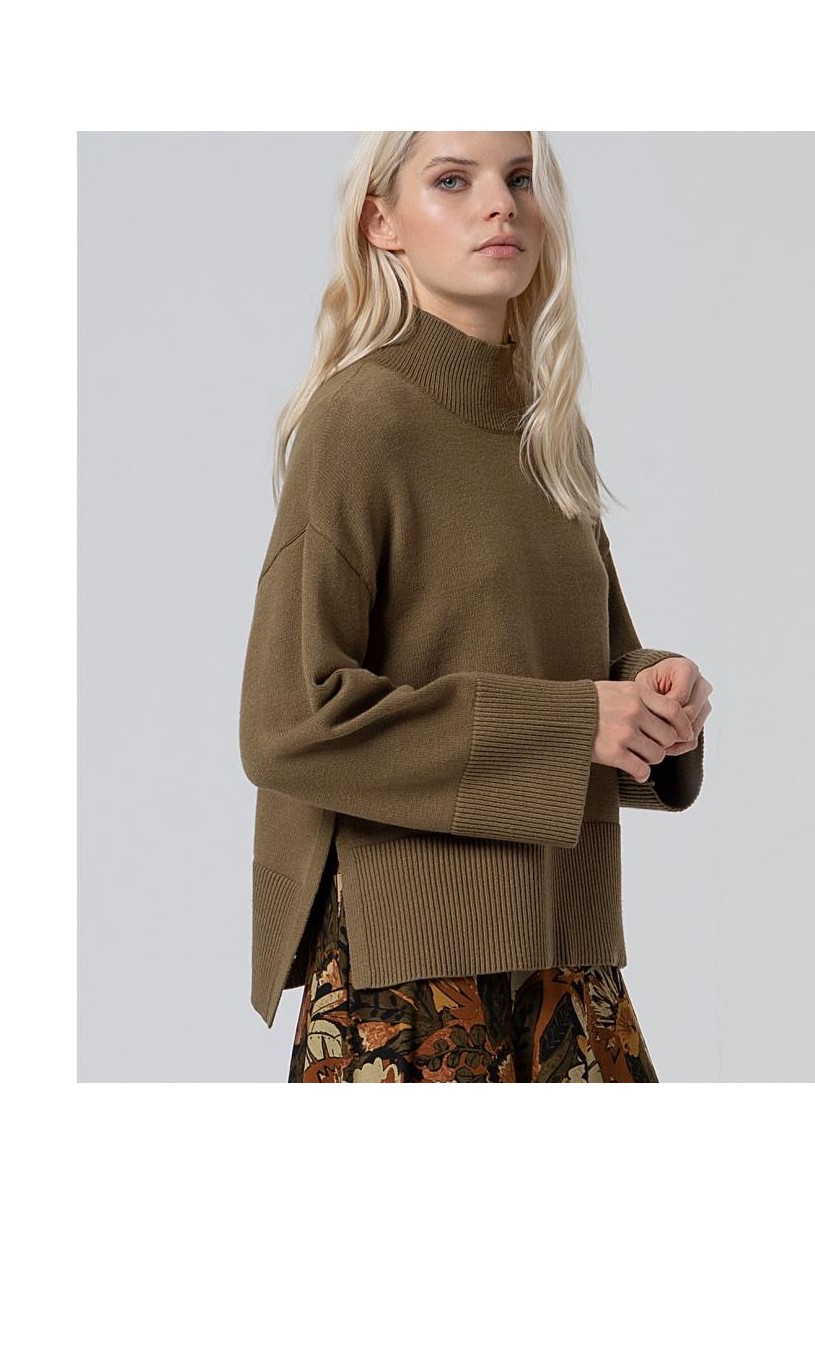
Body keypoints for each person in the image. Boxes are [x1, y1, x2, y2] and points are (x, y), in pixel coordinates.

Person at [238, 131, 713, 1082]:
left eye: (520, 178)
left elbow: (590, 673)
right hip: (413, 974)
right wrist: (578, 721)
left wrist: (653, 696)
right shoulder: (361, 418)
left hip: (567, 952)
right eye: (453, 180)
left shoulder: (547, 429)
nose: (501, 204)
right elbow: (287, 724)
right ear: (382, 223)